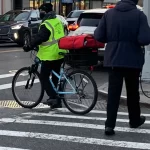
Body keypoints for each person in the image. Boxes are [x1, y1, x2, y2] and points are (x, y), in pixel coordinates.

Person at [94, 0, 150, 136]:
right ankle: (135, 120)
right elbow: (144, 39)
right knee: (132, 92)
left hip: (113, 58)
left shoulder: (109, 14)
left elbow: (99, 36)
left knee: (113, 93)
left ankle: (109, 125)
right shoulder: (139, 15)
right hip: (132, 59)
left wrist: (112, 39)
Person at [23, 3, 67, 109]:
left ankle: (53, 97)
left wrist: (29, 45)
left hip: (50, 54)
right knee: (55, 75)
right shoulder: (57, 20)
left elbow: (40, 37)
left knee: (44, 77)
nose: (40, 13)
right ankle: (57, 101)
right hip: (60, 51)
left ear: (45, 11)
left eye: (41, 11)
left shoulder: (46, 24)